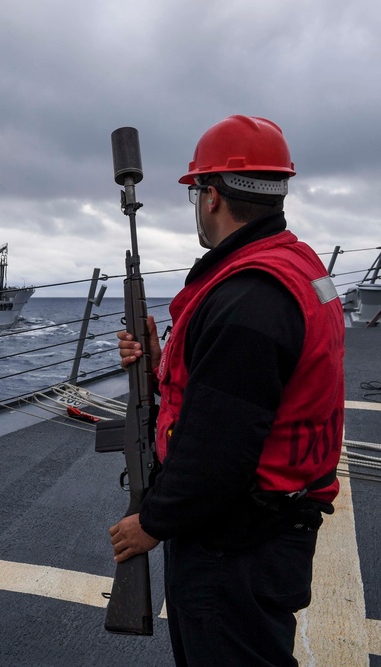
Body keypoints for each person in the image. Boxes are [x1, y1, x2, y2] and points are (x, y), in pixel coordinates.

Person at [108, 115, 345, 666]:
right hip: (270, 528)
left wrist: (151, 523)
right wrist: (162, 362)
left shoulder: (247, 298)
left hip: (232, 546)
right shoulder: (298, 268)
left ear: (211, 197)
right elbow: (254, 385)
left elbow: (220, 450)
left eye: (197, 193)